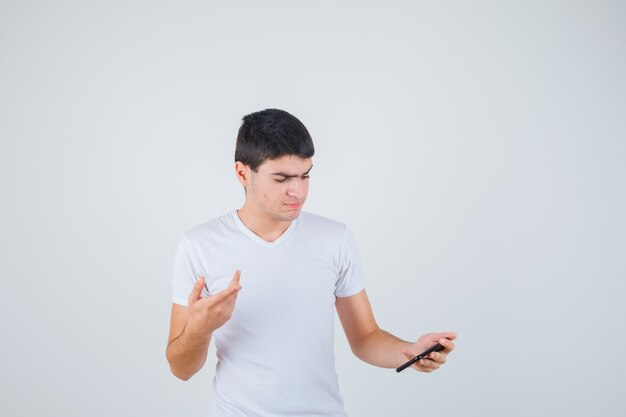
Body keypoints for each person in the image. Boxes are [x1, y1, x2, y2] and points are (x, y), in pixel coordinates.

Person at [165, 108, 457, 417]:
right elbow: (180, 368)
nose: (298, 191)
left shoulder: (335, 239)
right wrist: (200, 329)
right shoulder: (199, 246)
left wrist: (409, 351)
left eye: (305, 175)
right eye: (282, 178)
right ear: (242, 174)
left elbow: (365, 338)